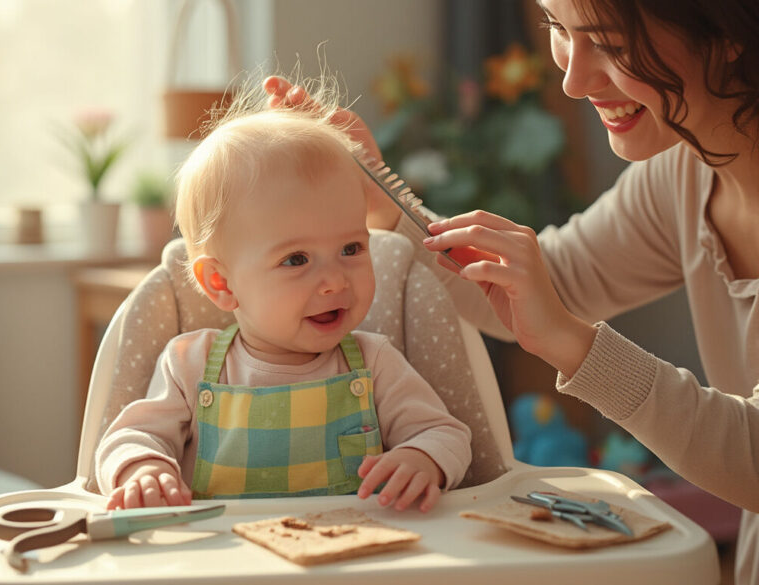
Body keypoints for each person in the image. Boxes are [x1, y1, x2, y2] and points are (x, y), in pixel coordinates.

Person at [266, 0, 758, 582]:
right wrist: (387, 205)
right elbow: (540, 290)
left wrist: (570, 342)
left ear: (728, 31)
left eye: (611, 43)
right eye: (558, 28)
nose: (573, 80)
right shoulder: (684, 175)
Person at [95, 90, 472, 513]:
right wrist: (144, 470)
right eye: (296, 259)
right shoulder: (190, 366)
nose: (334, 281)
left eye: (351, 249)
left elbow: (446, 434)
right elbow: (128, 438)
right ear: (221, 283)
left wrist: (421, 458)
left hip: (353, 546)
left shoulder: (375, 365)